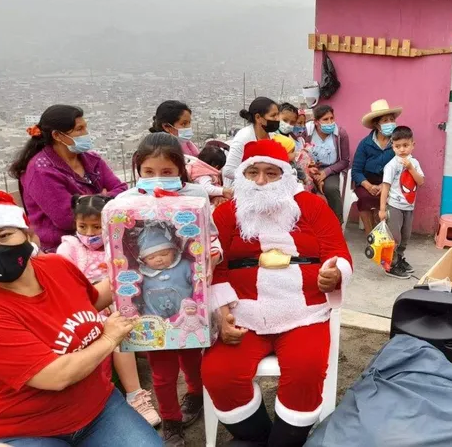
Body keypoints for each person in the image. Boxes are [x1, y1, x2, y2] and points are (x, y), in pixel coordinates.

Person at [202, 140, 352, 447]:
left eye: (271, 173)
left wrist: (334, 274)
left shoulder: (311, 206)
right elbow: (214, 266)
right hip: (244, 312)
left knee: (307, 370)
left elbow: (337, 251)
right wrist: (221, 310)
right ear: (241, 175)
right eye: (252, 173)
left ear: (284, 175)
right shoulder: (227, 214)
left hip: (304, 312)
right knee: (218, 373)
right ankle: (260, 438)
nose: (260, 181)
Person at [0, 190, 161, 446]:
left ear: (27, 233)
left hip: (98, 408)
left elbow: (91, 299)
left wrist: (139, 269)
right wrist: (110, 337)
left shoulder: (57, 266)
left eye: (3, 235)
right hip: (25, 428)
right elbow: (55, 376)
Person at [117, 133, 220, 447]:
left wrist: (212, 257)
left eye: (166, 171)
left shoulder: (196, 195)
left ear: (181, 168)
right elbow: (117, 252)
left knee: (192, 357)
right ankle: (171, 421)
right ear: (138, 169)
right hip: (147, 304)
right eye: (148, 172)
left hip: (189, 298)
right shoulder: (124, 203)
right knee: (161, 372)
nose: (157, 178)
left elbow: (211, 237)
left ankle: (194, 396)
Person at [56, 194, 161, 428]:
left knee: (128, 327)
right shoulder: (69, 248)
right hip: (84, 308)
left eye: (96, 227)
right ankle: (135, 393)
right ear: (75, 224)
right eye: (83, 226)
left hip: (119, 305)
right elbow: (65, 283)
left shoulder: (118, 245)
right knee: (114, 338)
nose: (90, 233)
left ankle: (135, 394)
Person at [8, 104, 128, 253]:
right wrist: (105, 199)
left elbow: (123, 192)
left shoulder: (91, 160)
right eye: (79, 129)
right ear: (57, 135)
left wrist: (87, 202)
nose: (86, 133)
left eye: (85, 128)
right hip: (63, 248)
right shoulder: (41, 171)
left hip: (103, 240)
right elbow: (66, 218)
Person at [378, 126, 425, 279]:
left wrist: (411, 168)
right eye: (397, 146)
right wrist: (382, 209)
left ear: (413, 145)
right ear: (393, 146)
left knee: (405, 236)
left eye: (405, 145)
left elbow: (421, 181)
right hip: (394, 206)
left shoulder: (414, 163)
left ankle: (399, 259)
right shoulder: (391, 165)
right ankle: (390, 265)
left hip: (409, 207)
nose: (402, 149)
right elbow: (385, 188)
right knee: (395, 237)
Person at [351, 100, 402, 234]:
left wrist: (384, 186)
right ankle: (371, 235)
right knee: (365, 198)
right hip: (367, 181)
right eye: (385, 120)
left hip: (390, 183)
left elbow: (402, 168)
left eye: (392, 119)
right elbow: (356, 171)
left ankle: (385, 234)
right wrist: (368, 186)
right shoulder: (365, 144)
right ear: (376, 124)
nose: (390, 123)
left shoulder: (398, 143)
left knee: (388, 199)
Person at [299, 104, 350, 223]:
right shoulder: (307, 132)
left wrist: (326, 173)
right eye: (325, 119)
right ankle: (308, 223)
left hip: (331, 169)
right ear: (316, 122)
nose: (330, 122)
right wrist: (310, 170)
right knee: (304, 189)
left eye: (332, 118)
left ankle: (337, 222)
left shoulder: (340, 134)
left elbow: (344, 161)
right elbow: (299, 149)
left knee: (331, 189)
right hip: (308, 168)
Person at [223, 97, 281, 187]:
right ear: (258, 117)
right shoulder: (243, 138)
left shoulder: (272, 135)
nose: (277, 119)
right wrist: (253, 177)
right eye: (273, 116)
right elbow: (228, 171)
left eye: (278, 115)